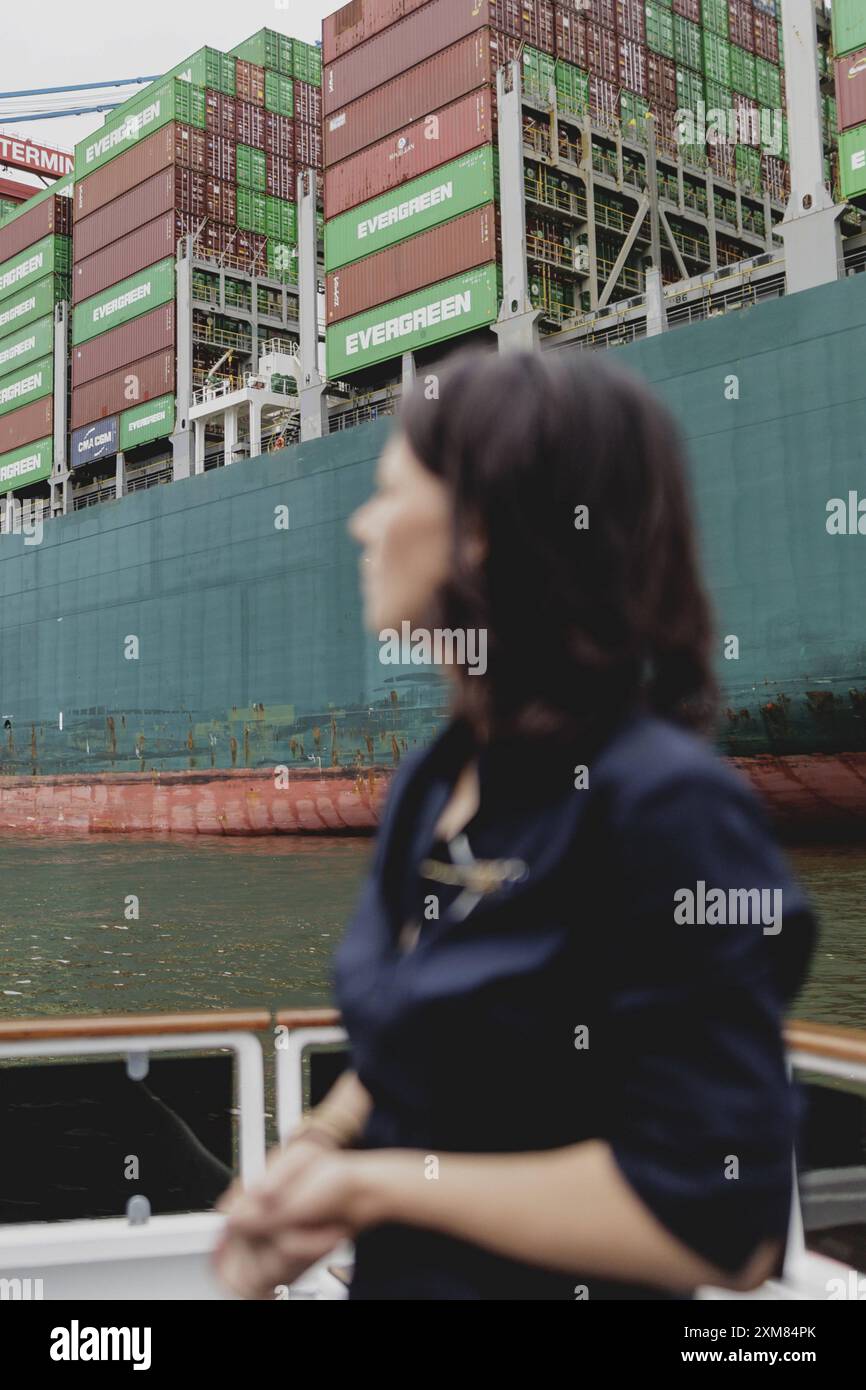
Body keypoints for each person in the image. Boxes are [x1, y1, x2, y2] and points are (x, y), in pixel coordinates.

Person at [214, 348, 816, 1301]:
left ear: (482, 528)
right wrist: (319, 1146)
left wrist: (371, 1187)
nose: (361, 524)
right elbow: (429, 1035)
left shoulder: (664, 808)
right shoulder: (434, 782)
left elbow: (722, 1221)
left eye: (386, 492)